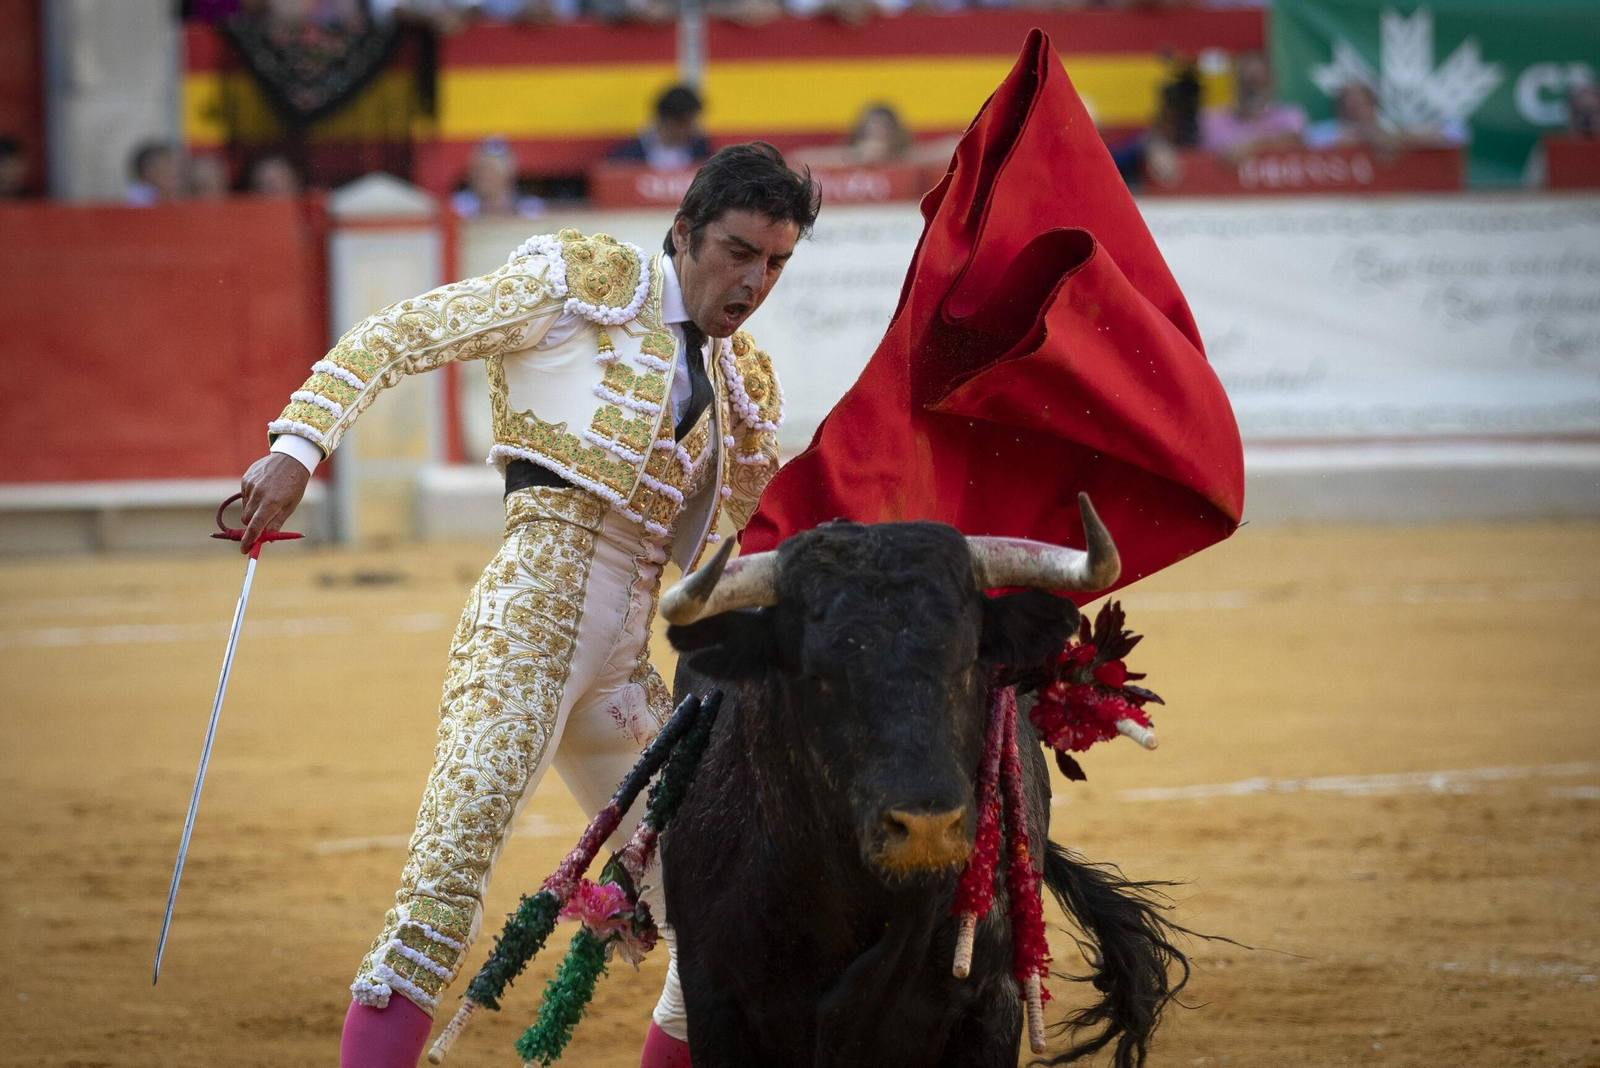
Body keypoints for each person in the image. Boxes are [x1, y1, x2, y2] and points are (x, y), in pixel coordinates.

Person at [236, 141, 820, 1068]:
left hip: (628, 662)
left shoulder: (747, 386)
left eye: (777, 262)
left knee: (718, 908)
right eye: (740, 252)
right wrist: (298, 445)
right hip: (529, 622)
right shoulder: (585, 283)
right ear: (683, 233)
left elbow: (748, 541)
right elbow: (403, 333)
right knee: (443, 892)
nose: (756, 279)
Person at [1304, 80, 1467, 151]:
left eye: (1358, 105)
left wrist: (1399, 139)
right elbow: (1307, 142)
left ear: (1374, 107)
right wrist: (1365, 137)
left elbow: (1457, 133)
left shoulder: (1395, 127)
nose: (1352, 112)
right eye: (1346, 106)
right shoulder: (1328, 130)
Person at [1199, 51, 1307, 158]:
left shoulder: (1290, 115)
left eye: (1258, 81)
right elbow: (1215, 149)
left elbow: (1295, 140)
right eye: (1246, 81)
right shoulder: (1213, 119)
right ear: (1234, 81)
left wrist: (1252, 146)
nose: (1252, 90)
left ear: (1271, 81)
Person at [609, 85, 713, 171]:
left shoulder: (702, 151)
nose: (692, 129)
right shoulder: (628, 155)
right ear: (668, 121)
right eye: (688, 123)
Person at [450, 136, 545, 218]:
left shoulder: (530, 210)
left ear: (509, 172)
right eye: (478, 170)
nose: (482, 176)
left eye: (490, 170)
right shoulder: (459, 208)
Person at [125, 141, 186, 205]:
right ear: (143, 174)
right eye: (164, 167)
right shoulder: (136, 203)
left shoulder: (183, 199)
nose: (174, 172)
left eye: (174, 165)